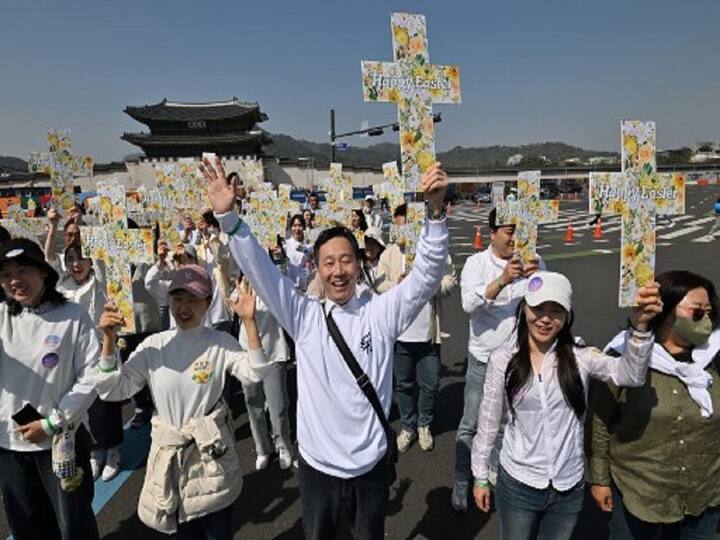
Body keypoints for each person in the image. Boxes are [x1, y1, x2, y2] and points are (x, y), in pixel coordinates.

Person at [200, 157, 450, 540]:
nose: (337, 271)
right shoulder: (304, 315)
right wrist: (228, 219)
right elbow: (262, 273)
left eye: (346, 260)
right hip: (318, 469)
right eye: (328, 262)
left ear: (359, 264)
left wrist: (435, 213)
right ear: (316, 269)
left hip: (370, 466)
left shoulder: (381, 313)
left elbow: (427, 276)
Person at [471, 272, 662, 539]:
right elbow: (488, 420)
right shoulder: (503, 359)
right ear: (524, 307)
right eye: (538, 308)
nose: (546, 319)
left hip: (568, 487)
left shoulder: (581, 356)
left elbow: (630, 375)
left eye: (556, 311)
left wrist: (639, 328)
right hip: (518, 483)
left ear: (567, 315)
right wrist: (480, 475)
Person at [96, 266, 268, 539]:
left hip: (210, 456)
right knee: (183, 533)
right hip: (170, 456)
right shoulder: (154, 345)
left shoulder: (220, 342)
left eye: (193, 299)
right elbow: (114, 390)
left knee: (218, 531)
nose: (184, 307)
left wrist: (249, 322)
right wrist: (108, 340)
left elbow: (255, 373)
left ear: (208, 301)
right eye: (178, 298)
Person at [587, 270, 720, 539]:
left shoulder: (714, 357)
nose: (706, 320)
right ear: (667, 312)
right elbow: (600, 421)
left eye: (710, 313)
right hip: (638, 489)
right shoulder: (624, 357)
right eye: (697, 312)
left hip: (702, 491)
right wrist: (599, 479)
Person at [0, 238, 100, 540]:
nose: (15, 280)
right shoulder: (2, 316)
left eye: (23, 270)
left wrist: (52, 422)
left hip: (61, 442)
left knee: (74, 525)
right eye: (5, 274)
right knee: (27, 526)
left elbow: (92, 374)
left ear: (43, 272)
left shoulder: (73, 315)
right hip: (10, 445)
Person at [451, 207, 544, 512]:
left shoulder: (533, 261)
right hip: (483, 360)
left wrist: (538, 279)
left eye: (519, 231)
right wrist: (503, 279)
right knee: (470, 423)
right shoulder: (477, 263)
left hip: (517, 361)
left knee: (505, 422)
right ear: (491, 233)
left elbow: (547, 307)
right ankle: (462, 482)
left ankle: (492, 471)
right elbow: (468, 304)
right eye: (508, 231)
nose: (514, 239)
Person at [376, 229, 457, 453]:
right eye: (400, 224)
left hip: (428, 335)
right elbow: (379, 283)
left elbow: (451, 280)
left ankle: (424, 424)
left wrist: (432, 286)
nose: (405, 230)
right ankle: (408, 426)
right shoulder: (390, 253)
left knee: (430, 383)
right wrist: (398, 285)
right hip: (401, 335)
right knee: (402, 385)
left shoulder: (435, 252)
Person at [231, 274, 295, 471]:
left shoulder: (273, 283)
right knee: (254, 405)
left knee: (278, 407)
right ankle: (262, 448)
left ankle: (283, 445)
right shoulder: (239, 288)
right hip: (247, 355)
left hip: (273, 352)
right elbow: (230, 303)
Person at [196, 209, 236, 333]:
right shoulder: (198, 248)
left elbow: (225, 262)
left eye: (208, 220)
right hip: (202, 315)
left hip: (220, 312)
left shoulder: (224, 242)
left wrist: (213, 237)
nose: (205, 224)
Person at [285, 214, 313, 292]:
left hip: (305, 290)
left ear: (303, 227)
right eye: (294, 226)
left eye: (300, 225)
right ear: (291, 228)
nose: (297, 228)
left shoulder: (309, 247)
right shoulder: (286, 246)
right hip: (290, 289)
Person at [360, 226, 385, 292]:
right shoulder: (356, 266)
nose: (370, 247)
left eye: (374, 243)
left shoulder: (385, 267)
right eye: (368, 242)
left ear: (380, 248)